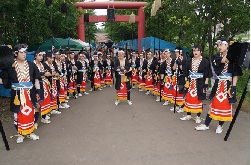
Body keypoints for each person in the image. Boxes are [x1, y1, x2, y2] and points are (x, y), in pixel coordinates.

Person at [195, 38, 243, 133]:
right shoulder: (216, 57)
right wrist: (233, 52)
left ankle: (220, 126)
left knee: (225, 106)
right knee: (212, 105)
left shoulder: (234, 59)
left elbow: (235, 74)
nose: (219, 47)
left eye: (221, 45)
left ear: (227, 45)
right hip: (218, 84)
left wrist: (233, 87)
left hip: (228, 85)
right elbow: (223, 61)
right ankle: (206, 125)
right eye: (218, 45)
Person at [0, 44, 41, 143]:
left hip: (30, 94)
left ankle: (30, 132)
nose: (24, 54)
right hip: (17, 96)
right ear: (15, 53)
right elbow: (3, 81)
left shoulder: (31, 65)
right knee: (17, 114)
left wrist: (38, 91)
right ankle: (20, 133)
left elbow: (36, 80)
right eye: (21, 52)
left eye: (25, 52)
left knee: (31, 113)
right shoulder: (10, 66)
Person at [180, 45, 212, 123]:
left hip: (200, 82)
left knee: (198, 99)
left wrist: (206, 85)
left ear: (201, 51)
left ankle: (198, 117)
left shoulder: (205, 62)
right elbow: (186, 72)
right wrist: (186, 82)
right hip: (191, 82)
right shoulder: (189, 61)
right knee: (189, 98)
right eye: (194, 50)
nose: (195, 52)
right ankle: (188, 115)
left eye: (197, 50)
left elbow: (207, 74)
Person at [33, 50, 52, 125]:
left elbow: (48, 72)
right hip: (35, 86)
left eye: (42, 55)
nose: (41, 57)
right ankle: (34, 122)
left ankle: (43, 117)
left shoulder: (42, 64)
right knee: (37, 104)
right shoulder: (32, 64)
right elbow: (34, 75)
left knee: (44, 101)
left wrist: (45, 74)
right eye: (39, 55)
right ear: (35, 56)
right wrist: (44, 74)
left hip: (44, 84)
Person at [170, 47, 186, 112]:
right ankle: (176, 105)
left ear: (181, 52)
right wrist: (176, 63)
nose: (176, 53)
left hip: (181, 77)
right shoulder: (174, 59)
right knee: (175, 91)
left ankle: (182, 106)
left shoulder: (184, 59)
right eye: (176, 52)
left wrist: (180, 63)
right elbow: (173, 68)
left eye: (177, 52)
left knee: (181, 91)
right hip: (175, 76)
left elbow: (183, 69)